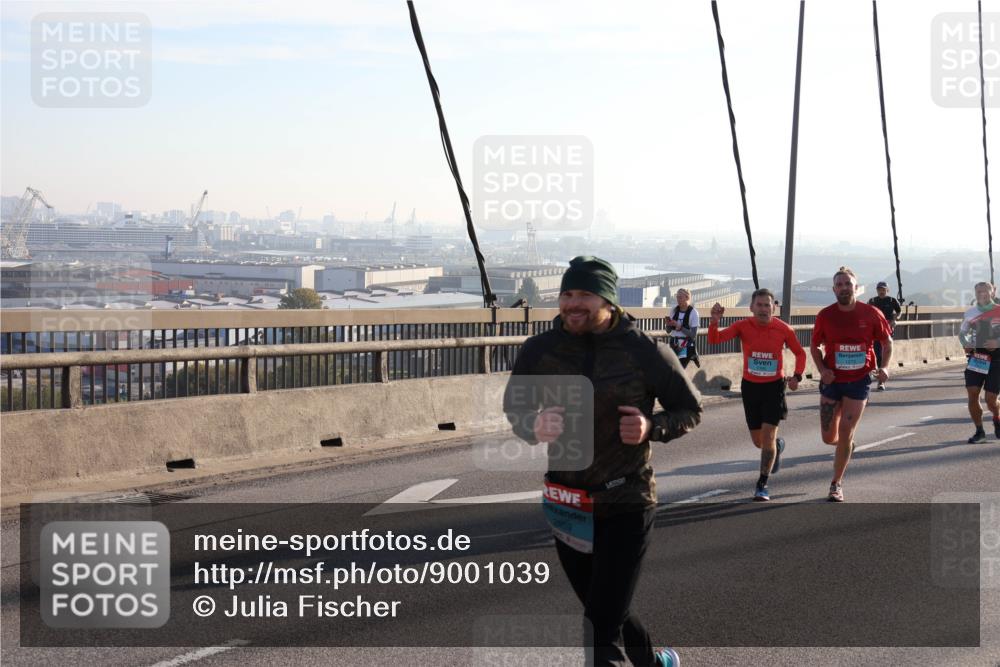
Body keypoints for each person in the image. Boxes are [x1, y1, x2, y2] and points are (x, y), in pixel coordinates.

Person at [504, 255, 702, 667]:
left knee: (599, 627)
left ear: (608, 301)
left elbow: (690, 408)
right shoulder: (539, 351)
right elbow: (515, 410)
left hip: (626, 498)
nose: (574, 303)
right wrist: (533, 426)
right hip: (567, 503)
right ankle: (653, 661)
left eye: (586, 295)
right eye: (567, 294)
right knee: (605, 607)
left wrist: (652, 426)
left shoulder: (646, 351)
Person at [707, 289, 807, 501]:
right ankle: (777, 447)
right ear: (751, 307)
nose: (763, 309)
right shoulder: (742, 326)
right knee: (759, 441)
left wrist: (797, 377)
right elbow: (715, 340)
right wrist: (714, 321)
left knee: (768, 435)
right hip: (750, 387)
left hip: (774, 387)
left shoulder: (783, 329)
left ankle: (762, 483)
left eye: (767, 305)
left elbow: (800, 353)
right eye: (759, 305)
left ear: (774, 308)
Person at [810, 267, 893, 502]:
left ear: (856, 287)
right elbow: (815, 347)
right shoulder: (825, 315)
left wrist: (885, 367)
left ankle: (836, 484)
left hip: (859, 380)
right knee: (829, 437)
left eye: (848, 284)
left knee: (845, 433)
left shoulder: (872, 313)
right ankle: (846, 446)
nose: (844, 288)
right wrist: (823, 370)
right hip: (833, 380)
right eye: (839, 284)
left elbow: (887, 343)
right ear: (834, 289)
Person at [958, 281, 1000, 443]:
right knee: (973, 393)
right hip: (978, 358)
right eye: (978, 292)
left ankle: (997, 416)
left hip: (997, 359)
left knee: (990, 399)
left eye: (985, 291)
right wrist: (966, 343)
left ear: (993, 292)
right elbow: (962, 333)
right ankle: (979, 431)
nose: (981, 294)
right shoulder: (970, 313)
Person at [867, 281, 901, 391]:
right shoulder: (872, 301)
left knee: (883, 355)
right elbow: (866, 313)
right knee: (876, 354)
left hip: (887, 331)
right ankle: (875, 374)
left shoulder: (892, 300)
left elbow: (899, 311)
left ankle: (881, 382)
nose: (881, 291)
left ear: (887, 290)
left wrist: (895, 320)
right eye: (879, 289)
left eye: (883, 289)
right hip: (875, 331)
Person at [666, 288, 700, 369]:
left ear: (687, 298)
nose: (678, 299)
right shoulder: (674, 310)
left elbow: (693, 335)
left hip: (685, 345)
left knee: (678, 369)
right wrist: (668, 325)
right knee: (670, 369)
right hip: (673, 343)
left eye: (680, 297)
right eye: (677, 297)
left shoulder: (693, 313)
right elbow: (668, 331)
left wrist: (680, 327)